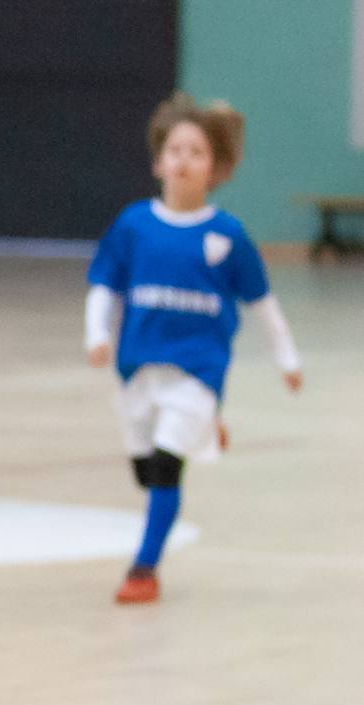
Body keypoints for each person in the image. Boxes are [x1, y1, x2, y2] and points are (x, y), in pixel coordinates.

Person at [85, 93, 301, 605]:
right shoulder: (134, 226)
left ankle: (144, 569)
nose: (183, 159)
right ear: (159, 161)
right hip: (139, 370)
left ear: (215, 170)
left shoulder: (227, 236)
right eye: (175, 149)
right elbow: (103, 286)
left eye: (196, 152)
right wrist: (96, 334)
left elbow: (262, 303)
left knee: (164, 466)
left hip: (198, 371)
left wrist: (288, 359)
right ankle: (206, 425)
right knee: (144, 471)